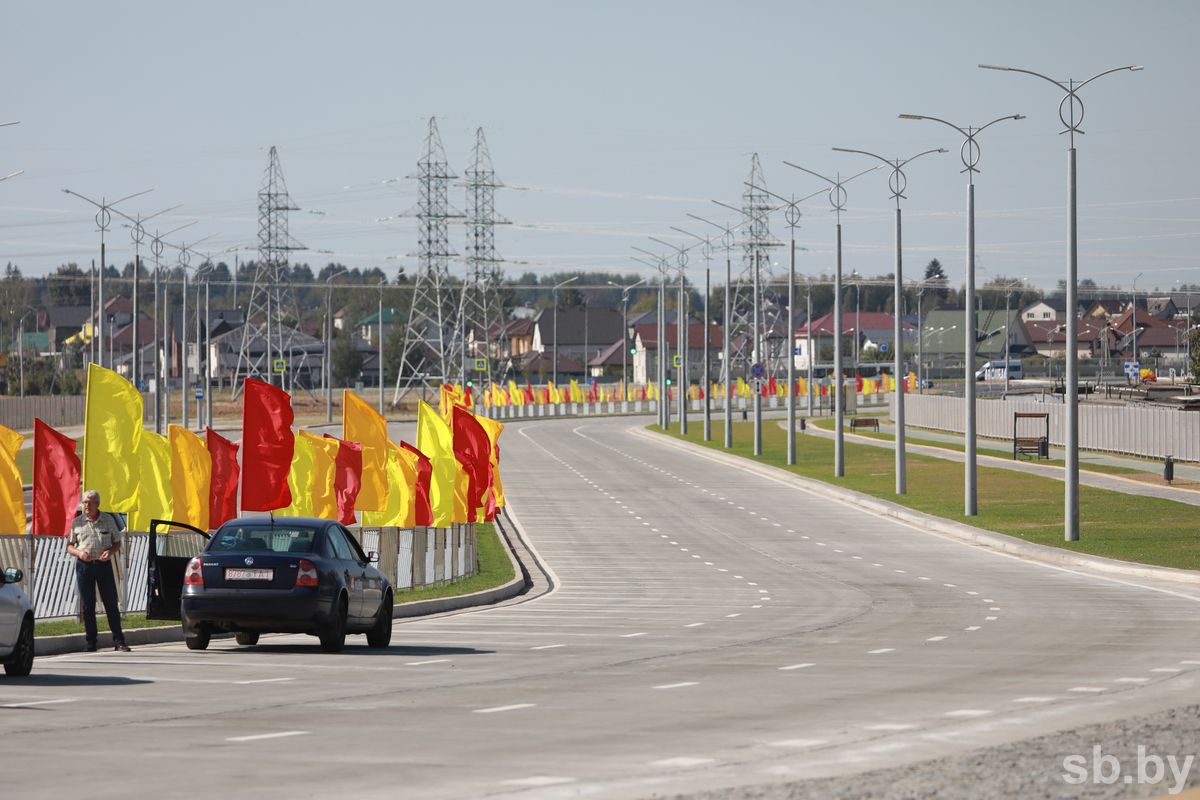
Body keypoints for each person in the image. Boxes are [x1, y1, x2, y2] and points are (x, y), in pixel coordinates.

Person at [66, 489, 131, 652]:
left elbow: (117, 542)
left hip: (103, 566)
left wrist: (110, 552)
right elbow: (69, 546)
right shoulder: (77, 522)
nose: (86, 505)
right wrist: (80, 553)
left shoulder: (108, 520)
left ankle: (119, 641)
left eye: (89, 502)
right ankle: (91, 642)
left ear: (97, 504)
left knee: (111, 603)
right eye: (84, 502)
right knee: (88, 605)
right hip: (84, 567)